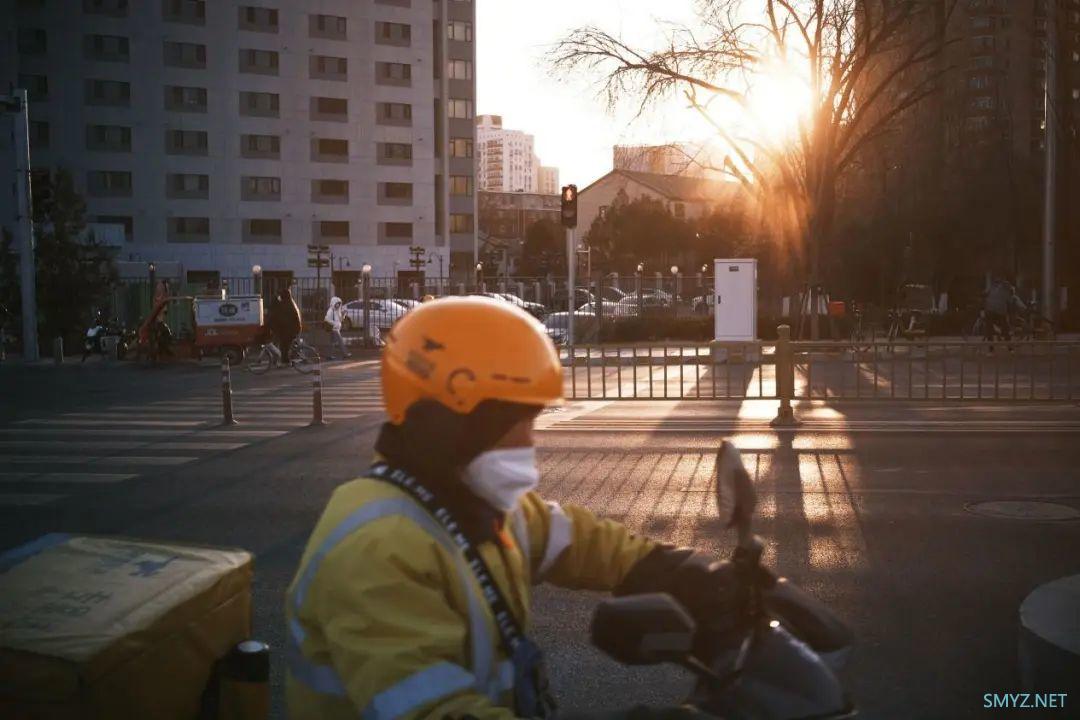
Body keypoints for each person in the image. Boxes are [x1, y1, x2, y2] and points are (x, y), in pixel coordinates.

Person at [286, 296, 750, 720]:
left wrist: (685, 571)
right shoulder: (378, 546)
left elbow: (576, 538)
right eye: (518, 423)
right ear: (451, 427)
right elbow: (437, 712)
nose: (531, 440)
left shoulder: (473, 500)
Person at [271, 287, 302, 366]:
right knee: (284, 345)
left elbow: (279, 315)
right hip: (292, 328)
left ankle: (286, 362)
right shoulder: (290, 302)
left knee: (284, 346)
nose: (280, 297)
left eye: (281, 295)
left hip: (290, 330)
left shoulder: (285, 304)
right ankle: (285, 360)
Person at [324, 296, 351, 360]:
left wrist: (344, 314)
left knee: (332, 343)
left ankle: (329, 355)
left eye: (339, 303)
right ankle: (345, 354)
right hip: (334, 329)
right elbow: (327, 319)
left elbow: (340, 320)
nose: (338, 305)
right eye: (337, 303)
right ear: (333, 303)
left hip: (336, 329)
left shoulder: (337, 311)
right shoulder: (330, 310)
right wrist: (334, 323)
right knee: (340, 341)